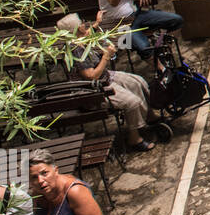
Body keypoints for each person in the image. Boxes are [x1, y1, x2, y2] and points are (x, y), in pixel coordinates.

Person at [56, 12, 159, 152]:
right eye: (82, 23)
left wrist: (97, 22)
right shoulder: (76, 51)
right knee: (131, 102)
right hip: (92, 89)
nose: (84, 24)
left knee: (137, 81)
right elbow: (92, 76)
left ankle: (149, 117)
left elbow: (90, 32)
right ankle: (134, 138)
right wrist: (106, 56)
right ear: (78, 28)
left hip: (105, 77)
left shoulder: (79, 38)